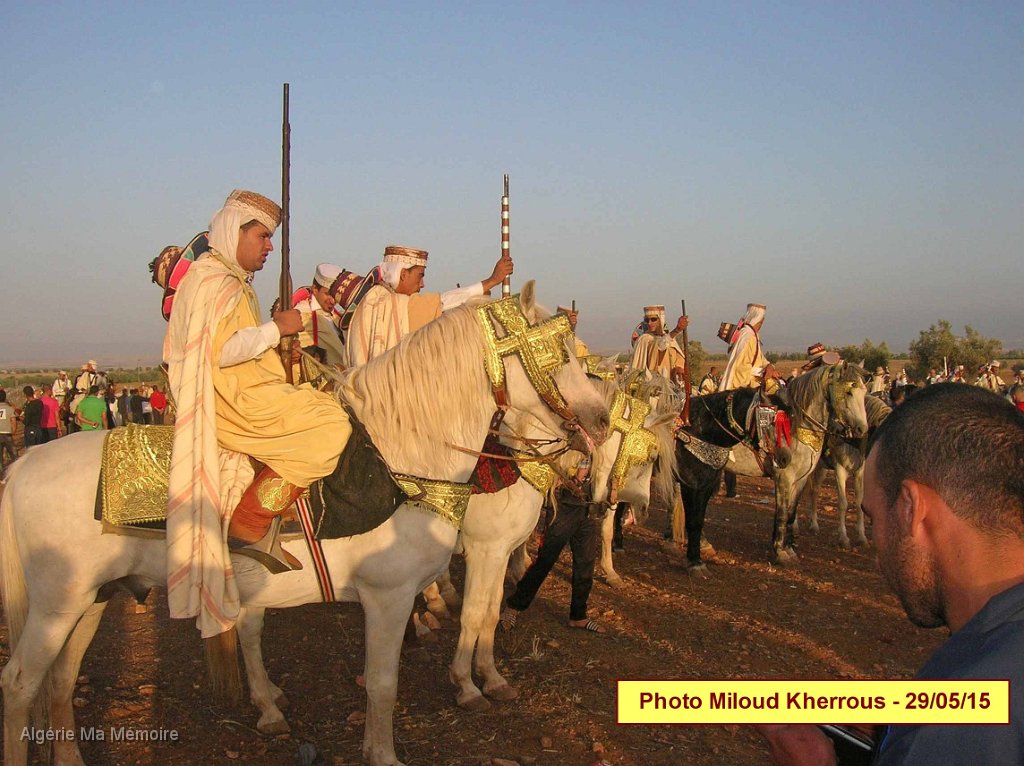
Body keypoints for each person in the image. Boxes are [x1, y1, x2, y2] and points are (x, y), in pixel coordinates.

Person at [759, 384, 1024, 765]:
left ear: (910, 507)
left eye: (874, 518)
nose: (878, 559)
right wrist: (891, 732)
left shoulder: (966, 723)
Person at [163, 189, 350, 638]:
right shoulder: (217, 283)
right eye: (262, 236)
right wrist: (277, 329)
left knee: (329, 403)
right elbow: (222, 352)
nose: (269, 246)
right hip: (232, 397)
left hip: (245, 386)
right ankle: (251, 521)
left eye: (271, 239)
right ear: (234, 232)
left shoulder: (224, 280)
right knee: (332, 426)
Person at [345, 244, 513, 366]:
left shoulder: (377, 300)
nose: (422, 284)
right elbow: (442, 303)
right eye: (420, 276)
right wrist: (492, 281)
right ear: (403, 274)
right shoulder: (389, 304)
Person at [500, 453, 608, 633]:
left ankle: (578, 616)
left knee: (586, 563)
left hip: (589, 505)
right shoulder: (573, 431)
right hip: (564, 505)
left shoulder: (605, 438)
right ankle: (514, 606)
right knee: (545, 560)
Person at [294, 263, 347, 368]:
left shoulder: (338, 317)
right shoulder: (301, 314)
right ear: (314, 289)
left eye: (335, 295)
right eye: (328, 294)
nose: (332, 300)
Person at [718, 303, 777, 393]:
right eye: (761, 319)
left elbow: (759, 358)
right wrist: (761, 372)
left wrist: (769, 366)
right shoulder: (747, 336)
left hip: (756, 382)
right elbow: (741, 368)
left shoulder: (754, 335)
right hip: (744, 388)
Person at [629, 305, 688, 387]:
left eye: (653, 319)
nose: (649, 323)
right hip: (652, 387)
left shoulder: (670, 339)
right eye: (647, 320)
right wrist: (677, 330)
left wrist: (678, 367)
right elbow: (660, 346)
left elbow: (679, 358)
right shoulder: (644, 339)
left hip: (672, 385)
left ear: (661, 319)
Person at [0, 390, 17, 467]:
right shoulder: (10, 408)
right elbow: (13, 421)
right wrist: (13, 430)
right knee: (14, 455)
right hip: (7, 433)